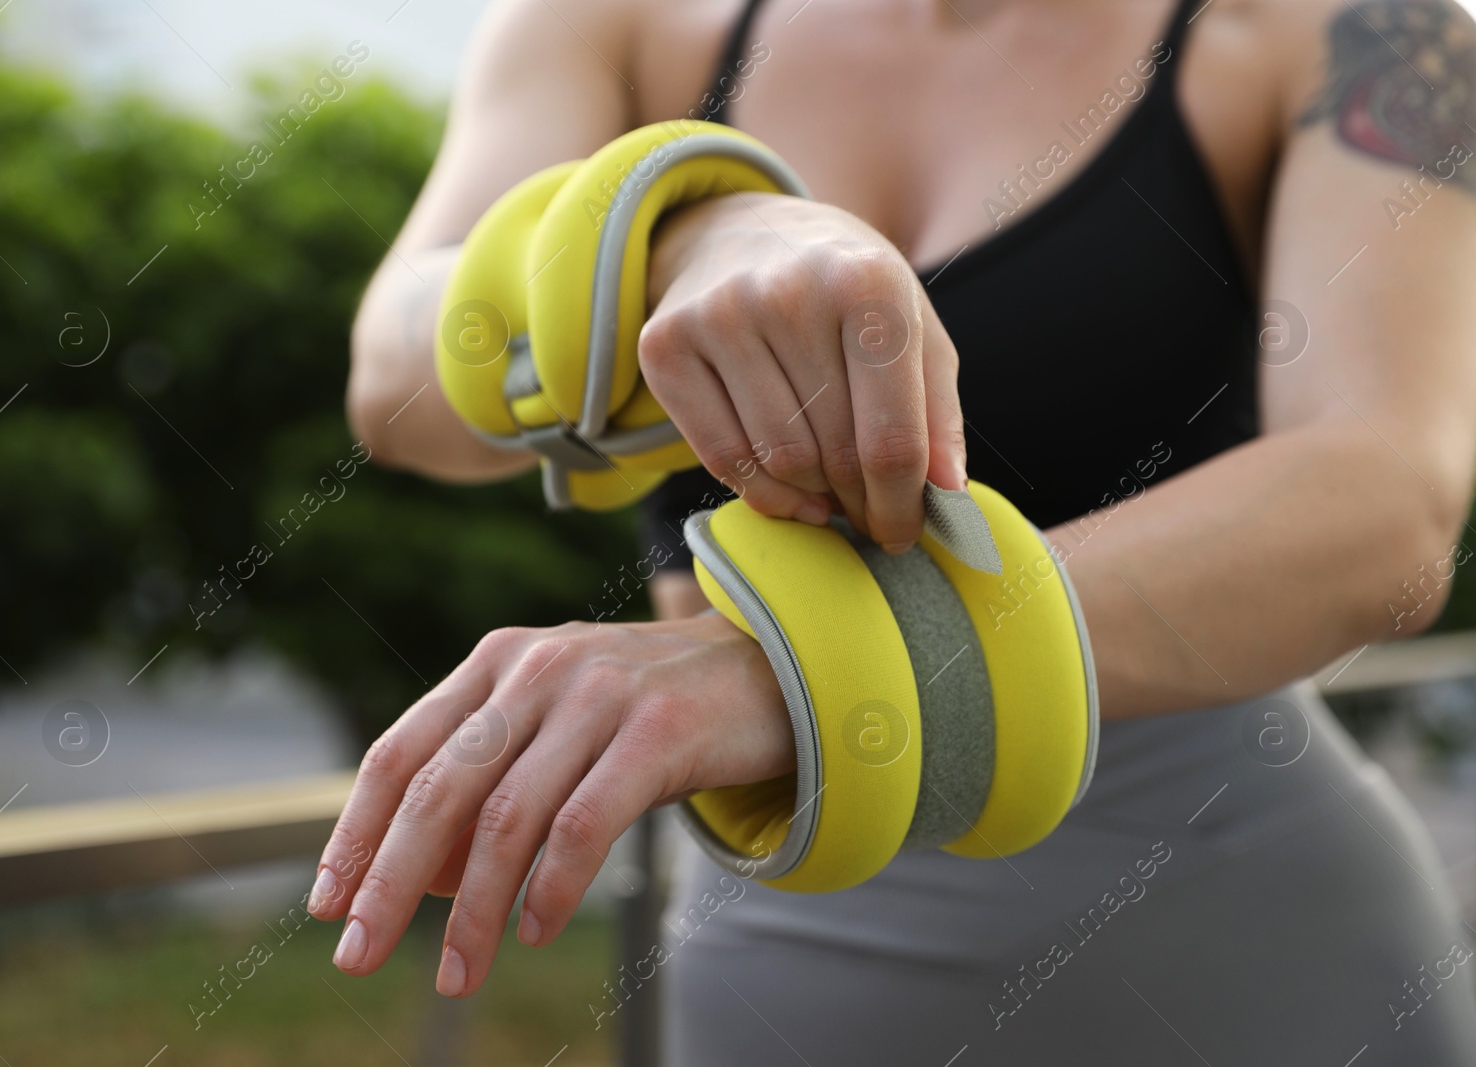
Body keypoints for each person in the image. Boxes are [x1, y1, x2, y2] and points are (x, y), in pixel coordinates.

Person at [315, 0, 1476, 1060]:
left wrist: (797, 669)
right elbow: (398, 381)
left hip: (1256, 947)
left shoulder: (1367, 29)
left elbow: (1387, 504)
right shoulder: (616, 21)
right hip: (793, 939)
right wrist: (677, 236)